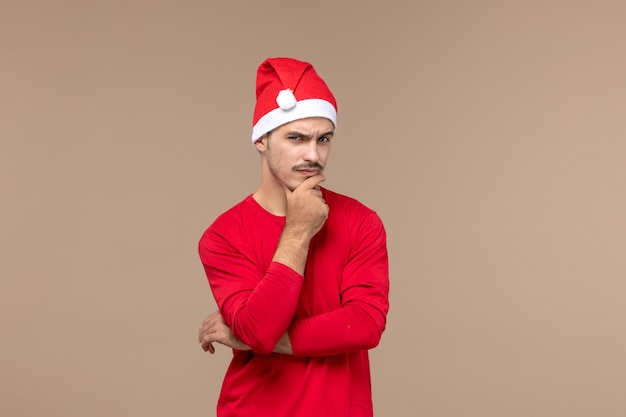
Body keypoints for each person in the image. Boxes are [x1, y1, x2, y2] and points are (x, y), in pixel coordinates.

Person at [197, 57, 390, 417]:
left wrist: (256, 341)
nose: (313, 155)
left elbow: (365, 324)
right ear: (261, 140)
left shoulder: (361, 222)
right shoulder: (222, 236)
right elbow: (261, 328)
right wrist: (299, 229)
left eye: (324, 139)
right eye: (296, 138)